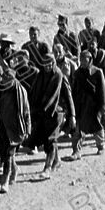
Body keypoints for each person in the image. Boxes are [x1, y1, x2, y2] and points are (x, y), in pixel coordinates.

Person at [25, 43, 68, 178]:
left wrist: (71, 114)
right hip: (42, 112)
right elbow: (35, 92)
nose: (47, 67)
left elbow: (53, 95)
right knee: (46, 139)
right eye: (45, 65)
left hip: (55, 112)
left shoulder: (58, 75)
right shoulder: (41, 75)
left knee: (50, 139)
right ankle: (56, 161)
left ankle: (47, 168)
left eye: (50, 64)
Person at [0, 66, 30, 193]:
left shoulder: (20, 91)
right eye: (3, 78)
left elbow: (26, 111)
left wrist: (28, 128)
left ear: (13, 80)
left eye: (7, 79)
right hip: (2, 126)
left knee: (8, 154)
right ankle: (15, 169)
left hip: (14, 127)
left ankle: (5, 181)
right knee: (5, 153)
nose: (4, 81)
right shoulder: (0, 90)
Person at [70, 50, 105, 157]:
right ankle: (76, 151)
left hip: (94, 106)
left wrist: (103, 107)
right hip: (81, 106)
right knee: (78, 130)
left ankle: (100, 146)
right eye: (81, 59)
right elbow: (74, 90)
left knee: (97, 128)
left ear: (90, 59)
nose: (82, 61)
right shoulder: (77, 73)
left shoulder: (97, 72)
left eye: (84, 59)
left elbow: (103, 92)